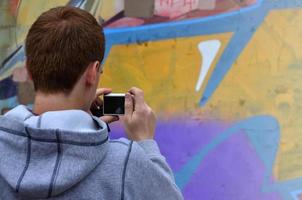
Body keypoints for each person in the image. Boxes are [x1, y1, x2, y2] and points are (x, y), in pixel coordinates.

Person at [0, 6, 183, 200]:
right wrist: (145, 141)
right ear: (93, 72)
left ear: (28, 69)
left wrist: (81, 127)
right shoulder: (125, 165)